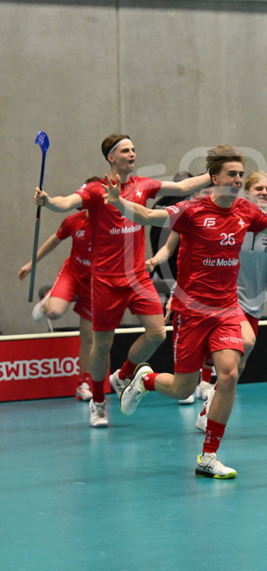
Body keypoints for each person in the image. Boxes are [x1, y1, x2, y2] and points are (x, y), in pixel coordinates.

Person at [108, 145, 267, 478]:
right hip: (192, 311)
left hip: (226, 310)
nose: (237, 180)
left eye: (240, 174)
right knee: (183, 389)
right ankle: (145, 379)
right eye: (231, 174)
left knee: (230, 374)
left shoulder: (246, 212)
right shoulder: (192, 210)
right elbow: (148, 216)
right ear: (215, 178)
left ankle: (208, 455)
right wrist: (118, 202)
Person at [34, 134, 211, 428]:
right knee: (102, 345)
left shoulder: (143, 185)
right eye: (125, 150)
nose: (132, 154)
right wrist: (49, 201)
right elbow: (67, 202)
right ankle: (98, 401)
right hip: (105, 280)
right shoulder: (96, 190)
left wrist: (214, 173)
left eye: (133, 149)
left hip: (138, 277)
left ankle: (124, 374)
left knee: (157, 333)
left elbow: (181, 187)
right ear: (111, 158)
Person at [149, 171, 267, 428]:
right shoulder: (227, 220)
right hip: (223, 301)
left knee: (235, 369)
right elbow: (195, 262)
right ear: (246, 192)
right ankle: (200, 389)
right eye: (259, 188)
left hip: (253, 304)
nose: (265, 193)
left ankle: (208, 405)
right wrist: (177, 292)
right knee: (243, 344)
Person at [18, 177, 103, 401]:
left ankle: (83, 384)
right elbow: (54, 241)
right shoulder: (74, 221)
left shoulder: (112, 224)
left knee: (88, 337)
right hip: (73, 274)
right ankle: (48, 300)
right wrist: (32, 263)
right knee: (54, 312)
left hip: (95, 284)